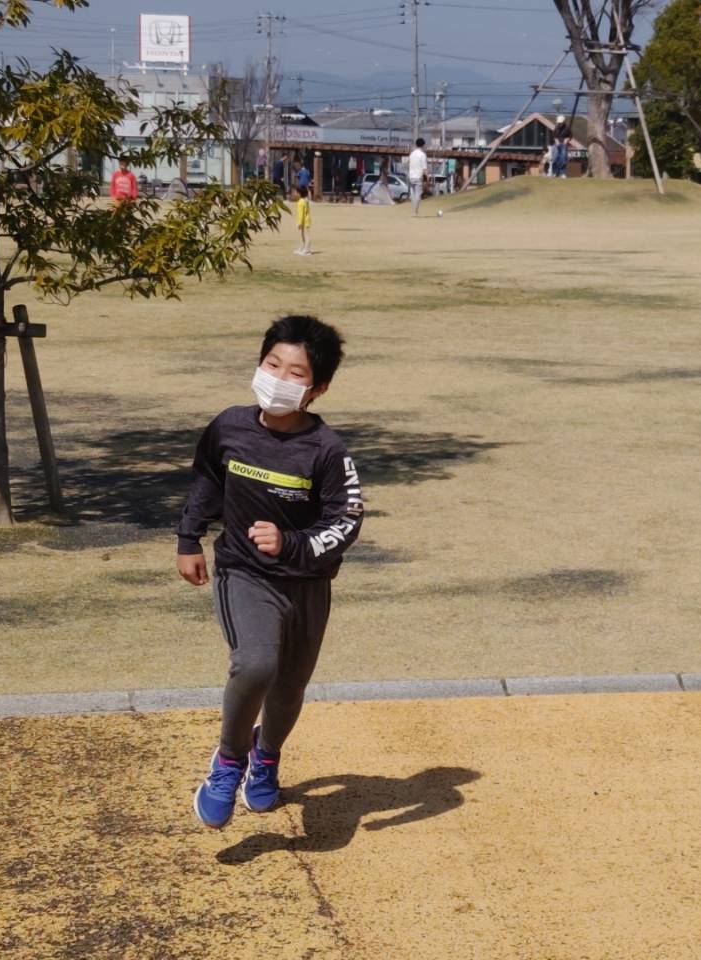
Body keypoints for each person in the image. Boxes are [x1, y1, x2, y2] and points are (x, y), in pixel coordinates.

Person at [177, 315, 363, 829]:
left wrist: (292, 543)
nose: (278, 379)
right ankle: (229, 760)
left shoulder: (326, 450)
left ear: (318, 388)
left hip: (307, 583)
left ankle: (267, 756)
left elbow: (346, 520)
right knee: (256, 665)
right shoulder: (229, 426)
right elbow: (207, 481)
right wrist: (189, 538)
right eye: (272, 364)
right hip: (244, 572)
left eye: (295, 373)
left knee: (289, 686)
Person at [408, 138, 428, 215]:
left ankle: (413, 210)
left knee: (413, 194)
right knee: (418, 194)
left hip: (411, 176)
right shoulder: (422, 155)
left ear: (416, 144)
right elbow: (424, 168)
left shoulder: (412, 154)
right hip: (418, 176)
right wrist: (427, 176)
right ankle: (415, 210)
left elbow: (409, 164)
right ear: (423, 145)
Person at [293, 185, 312, 255]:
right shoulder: (305, 200)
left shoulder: (301, 202)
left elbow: (301, 213)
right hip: (306, 220)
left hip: (304, 221)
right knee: (303, 235)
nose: (294, 193)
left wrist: (299, 223)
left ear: (299, 193)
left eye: (295, 192)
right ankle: (303, 247)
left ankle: (307, 249)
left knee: (306, 235)